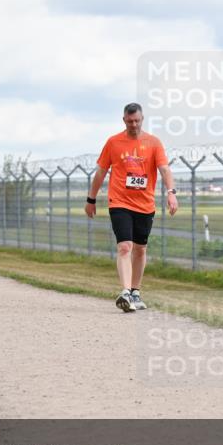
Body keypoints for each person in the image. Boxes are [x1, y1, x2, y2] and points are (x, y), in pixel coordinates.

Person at [85, 102, 178, 312]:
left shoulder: (153, 143)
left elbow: (164, 169)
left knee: (140, 249)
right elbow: (100, 173)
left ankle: (135, 292)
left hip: (145, 204)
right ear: (124, 120)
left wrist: (171, 193)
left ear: (142, 119)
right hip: (119, 201)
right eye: (129, 121)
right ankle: (125, 292)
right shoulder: (114, 142)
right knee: (125, 246)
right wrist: (91, 199)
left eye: (137, 120)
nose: (133, 124)